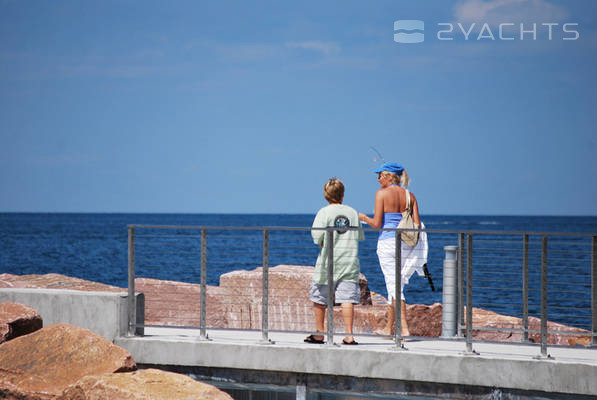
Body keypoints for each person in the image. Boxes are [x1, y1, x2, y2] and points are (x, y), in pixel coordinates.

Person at [358, 162, 427, 337]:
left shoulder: (381, 194)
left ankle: (404, 329)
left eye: (380, 175)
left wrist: (363, 217)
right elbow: (417, 225)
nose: (378, 179)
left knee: (394, 286)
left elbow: (377, 224)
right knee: (394, 286)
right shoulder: (410, 195)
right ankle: (389, 328)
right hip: (406, 244)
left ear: (389, 176)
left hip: (388, 243)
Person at [305, 178, 364, 345]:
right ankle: (349, 335)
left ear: (326, 195)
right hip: (349, 260)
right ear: (342, 194)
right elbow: (358, 236)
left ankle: (319, 333)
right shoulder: (352, 212)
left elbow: (317, 237)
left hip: (327, 262)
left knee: (319, 297)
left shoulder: (323, 213)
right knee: (347, 299)